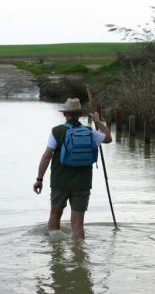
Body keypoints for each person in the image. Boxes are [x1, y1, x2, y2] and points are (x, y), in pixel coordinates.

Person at [33, 98, 112, 239]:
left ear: (65, 114)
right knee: (78, 224)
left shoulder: (57, 132)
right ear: (80, 115)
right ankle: (79, 256)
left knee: (55, 216)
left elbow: (47, 156)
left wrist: (39, 179)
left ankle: (55, 252)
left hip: (60, 182)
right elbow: (108, 138)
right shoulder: (90, 132)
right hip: (82, 184)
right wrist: (98, 121)